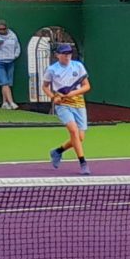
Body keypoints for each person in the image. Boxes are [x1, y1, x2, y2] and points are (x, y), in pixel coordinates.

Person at [44, 43, 93, 174]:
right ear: (57, 55)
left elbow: (87, 86)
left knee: (80, 137)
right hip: (62, 105)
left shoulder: (78, 66)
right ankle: (83, 163)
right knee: (73, 130)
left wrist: (72, 93)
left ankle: (57, 151)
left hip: (79, 103)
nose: (67, 56)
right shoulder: (52, 70)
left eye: (69, 53)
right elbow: (45, 86)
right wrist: (53, 97)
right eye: (64, 54)